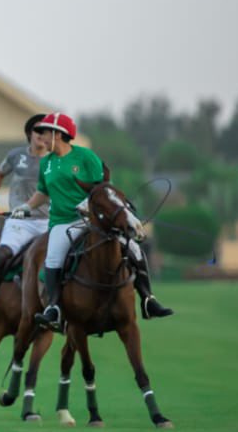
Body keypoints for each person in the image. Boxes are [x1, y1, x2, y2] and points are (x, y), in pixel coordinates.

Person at [11, 112, 173, 328]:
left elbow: (105, 189)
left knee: (134, 249)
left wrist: (88, 204)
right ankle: (55, 308)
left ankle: (148, 300)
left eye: (46, 132)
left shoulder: (86, 157)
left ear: (58, 134)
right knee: (53, 260)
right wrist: (26, 207)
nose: (42, 137)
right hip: (62, 222)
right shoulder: (46, 163)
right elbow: (43, 192)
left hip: (93, 221)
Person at [0, 113, 51, 323]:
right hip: (20, 222)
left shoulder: (55, 161)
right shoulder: (16, 156)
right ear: (29, 134)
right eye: (38, 131)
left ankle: (56, 308)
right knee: (0, 254)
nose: (43, 135)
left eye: (47, 131)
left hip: (47, 223)